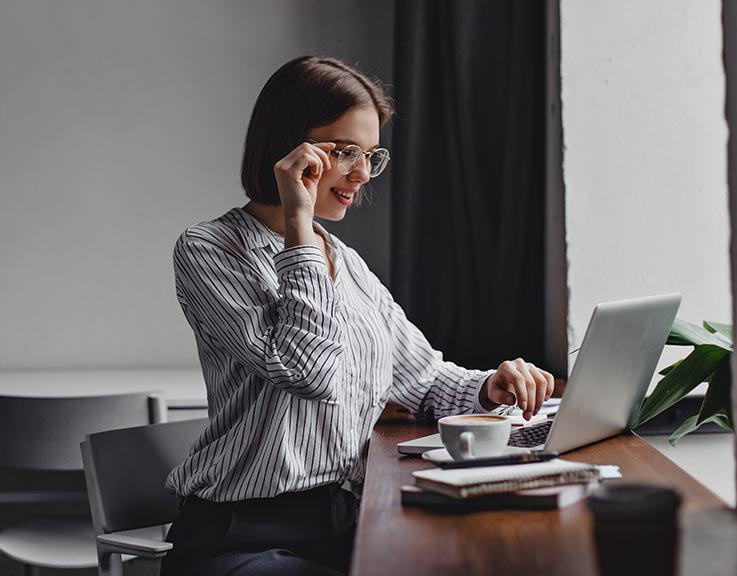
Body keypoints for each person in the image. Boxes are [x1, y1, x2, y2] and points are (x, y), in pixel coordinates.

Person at [161, 55, 554, 576]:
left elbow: (424, 380)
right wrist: (298, 221)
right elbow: (307, 372)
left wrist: (491, 387)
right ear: (288, 147)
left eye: (370, 154)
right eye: (344, 151)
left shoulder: (346, 262)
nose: (362, 174)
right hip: (238, 534)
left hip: (344, 520)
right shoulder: (209, 249)